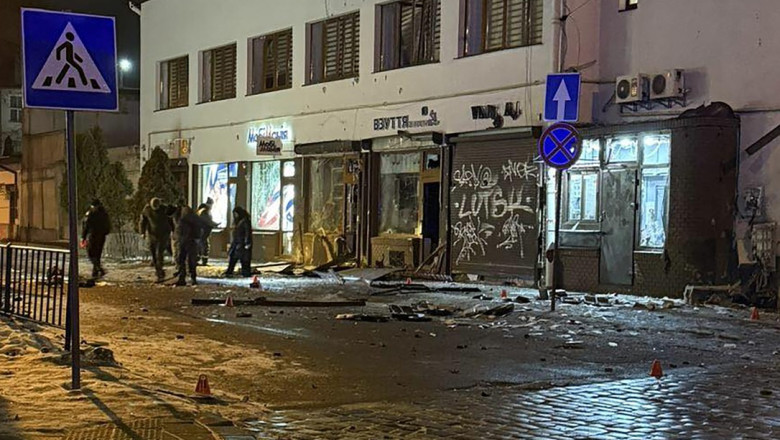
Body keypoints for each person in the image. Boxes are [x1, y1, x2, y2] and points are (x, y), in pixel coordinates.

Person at [139, 197, 173, 282]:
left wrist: (172, 230)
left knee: (159, 254)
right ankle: (158, 270)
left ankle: (160, 273)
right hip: (152, 235)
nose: (155, 208)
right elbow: (143, 221)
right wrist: (142, 232)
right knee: (153, 254)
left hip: (163, 235)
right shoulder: (147, 210)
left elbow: (171, 220)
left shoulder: (165, 209)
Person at [175, 206, 204, 286]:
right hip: (191, 242)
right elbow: (199, 230)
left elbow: (179, 231)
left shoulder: (182, 219)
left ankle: (182, 278)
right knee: (191, 261)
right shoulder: (195, 218)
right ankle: (192, 277)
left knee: (182, 260)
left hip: (184, 242)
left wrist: (178, 240)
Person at [82, 199, 111, 279]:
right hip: (101, 237)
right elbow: (108, 226)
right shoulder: (104, 213)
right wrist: (104, 233)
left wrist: (83, 237)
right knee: (97, 255)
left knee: (91, 254)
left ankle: (99, 269)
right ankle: (95, 273)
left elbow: (86, 226)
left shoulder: (91, 213)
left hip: (93, 236)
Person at [225, 206, 253, 277]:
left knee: (243, 260)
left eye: (236, 214)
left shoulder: (245, 221)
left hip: (241, 243)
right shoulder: (239, 221)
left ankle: (245, 273)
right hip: (237, 242)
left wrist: (247, 243)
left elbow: (247, 232)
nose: (235, 216)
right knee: (234, 258)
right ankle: (230, 271)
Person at [197, 198, 218, 266]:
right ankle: (203, 261)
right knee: (204, 246)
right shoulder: (204, 211)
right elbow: (208, 221)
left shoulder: (204, 210)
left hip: (203, 231)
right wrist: (215, 224)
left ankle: (198, 260)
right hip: (203, 231)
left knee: (201, 246)